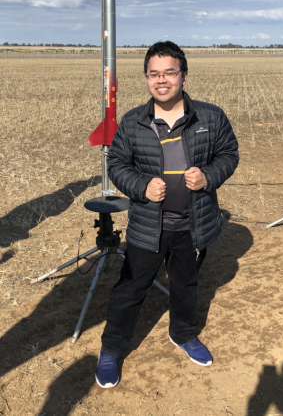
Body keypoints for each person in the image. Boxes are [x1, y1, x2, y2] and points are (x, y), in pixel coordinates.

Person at [95, 41, 239, 388]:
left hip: (193, 225)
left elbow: (228, 154)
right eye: (154, 74)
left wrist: (208, 176)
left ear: (184, 76)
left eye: (169, 73)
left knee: (186, 286)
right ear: (146, 78)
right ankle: (112, 350)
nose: (162, 80)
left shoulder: (210, 116)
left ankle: (184, 334)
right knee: (130, 289)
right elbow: (116, 163)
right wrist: (141, 186)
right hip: (148, 227)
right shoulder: (132, 123)